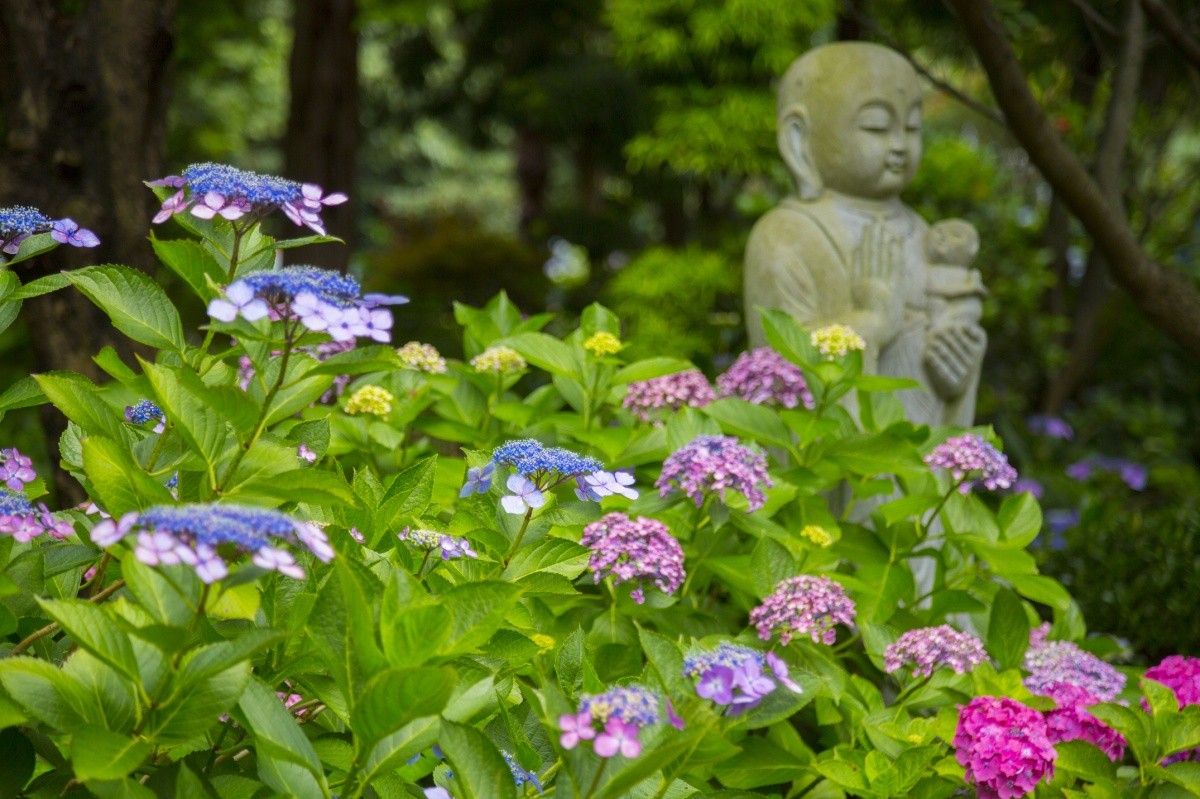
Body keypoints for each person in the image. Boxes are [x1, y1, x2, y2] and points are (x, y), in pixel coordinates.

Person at [744, 42, 986, 427]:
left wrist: (958, 365)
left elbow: (947, 338)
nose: (899, 145)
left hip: (919, 458)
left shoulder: (925, 235)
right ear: (798, 137)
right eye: (876, 126)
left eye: (911, 127)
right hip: (836, 466)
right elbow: (776, 372)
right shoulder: (785, 234)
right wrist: (871, 321)